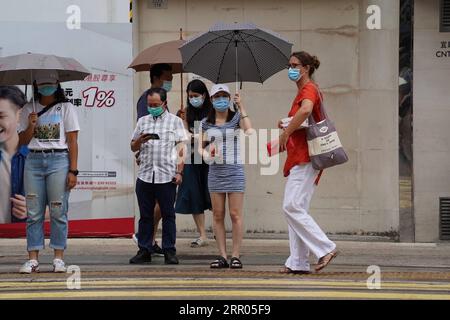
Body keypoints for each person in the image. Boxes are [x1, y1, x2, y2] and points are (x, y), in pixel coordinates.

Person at [278, 51, 338, 274]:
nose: (290, 69)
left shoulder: (309, 89)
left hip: (306, 157)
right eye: (289, 65)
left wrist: (287, 132)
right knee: (296, 208)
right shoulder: (303, 91)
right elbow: (303, 116)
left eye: (294, 65)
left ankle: (325, 248)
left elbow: (306, 110)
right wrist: (286, 124)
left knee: (291, 206)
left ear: (306, 68)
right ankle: (298, 262)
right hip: (300, 157)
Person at [18, 70, 80, 274]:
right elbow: (22, 141)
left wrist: (73, 170)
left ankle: (58, 257)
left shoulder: (66, 107)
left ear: (57, 84)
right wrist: (30, 125)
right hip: (34, 161)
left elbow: (72, 140)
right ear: (36, 85)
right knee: (34, 212)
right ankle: (33, 258)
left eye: (50, 83)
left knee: (57, 210)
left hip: (59, 161)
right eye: (42, 83)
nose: (46, 87)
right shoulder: (29, 108)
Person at [129, 87, 188, 265]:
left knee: (168, 214)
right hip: (146, 175)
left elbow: (182, 148)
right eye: (150, 105)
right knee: (145, 215)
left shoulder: (175, 121)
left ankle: (169, 250)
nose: (152, 107)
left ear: (164, 103)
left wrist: (179, 171)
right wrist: (140, 141)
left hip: (167, 176)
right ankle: (144, 249)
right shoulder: (142, 121)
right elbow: (132, 146)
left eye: (156, 105)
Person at [199, 84, 253, 269]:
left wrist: (241, 106)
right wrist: (206, 154)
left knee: (235, 214)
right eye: (217, 96)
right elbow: (201, 146)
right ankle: (222, 255)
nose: (221, 99)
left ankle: (236, 255)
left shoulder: (236, 117)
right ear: (212, 100)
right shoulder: (206, 122)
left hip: (235, 171)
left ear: (229, 98)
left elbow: (249, 130)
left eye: (224, 96)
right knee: (218, 215)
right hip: (215, 172)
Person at [133, 63, 174, 256]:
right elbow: (145, 134)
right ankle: (145, 242)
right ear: (157, 77)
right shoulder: (146, 101)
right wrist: (140, 149)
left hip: (165, 169)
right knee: (148, 211)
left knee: (166, 211)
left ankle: (161, 245)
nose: (171, 81)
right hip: (149, 167)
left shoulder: (167, 110)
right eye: (168, 77)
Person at [175, 79, 212, 247]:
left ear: (204, 95)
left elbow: (211, 136)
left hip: (209, 158)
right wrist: (183, 121)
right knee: (194, 194)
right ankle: (202, 234)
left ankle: (218, 229)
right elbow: (183, 138)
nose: (192, 99)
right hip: (191, 159)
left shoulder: (212, 112)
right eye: (190, 96)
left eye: (196, 95)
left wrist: (196, 137)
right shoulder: (185, 113)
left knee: (212, 196)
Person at [0, 86, 28, 224]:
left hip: (17, 241)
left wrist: (32, 209)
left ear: (20, 116)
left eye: (1, 116)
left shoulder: (37, 158)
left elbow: (59, 207)